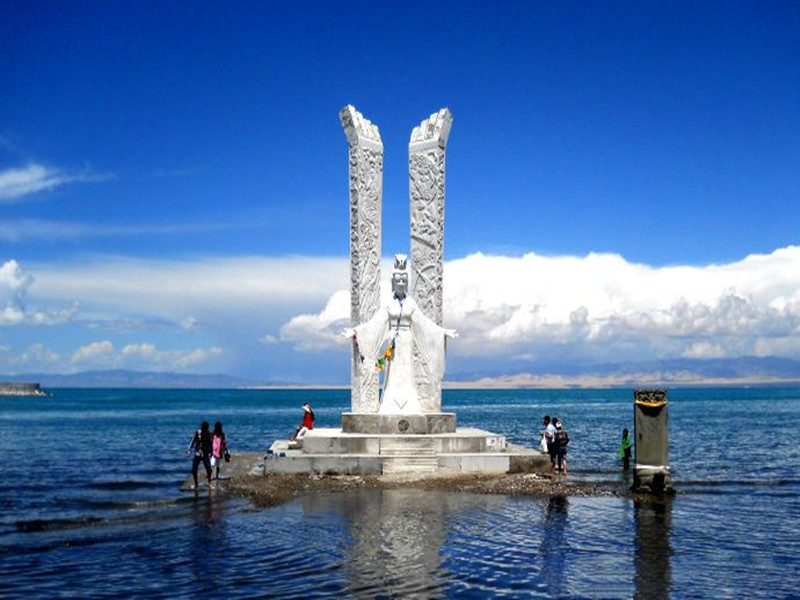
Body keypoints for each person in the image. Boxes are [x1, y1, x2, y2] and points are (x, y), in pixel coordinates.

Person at [345, 254, 457, 414]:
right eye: (398, 281)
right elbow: (375, 323)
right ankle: (390, 402)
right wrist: (356, 331)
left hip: (406, 341)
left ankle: (410, 403)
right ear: (392, 282)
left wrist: (442, 332)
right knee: (392, 371)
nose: (401, 283)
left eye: (404, 280)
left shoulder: (411, 303)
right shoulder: (389, 304)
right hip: (393, 342)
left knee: (407, 371)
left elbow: (424, 323)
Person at [186, 421, 214, 489]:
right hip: (197, 454)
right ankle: (196, 484)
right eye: (204, 428)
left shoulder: (208, 433)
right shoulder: (198, 433)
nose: (204, 429)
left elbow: (210, 443)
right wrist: (188, 450)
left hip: (205, 454)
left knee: (209, 469)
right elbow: (192, 442)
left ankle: (209, 483)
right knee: (194, 469)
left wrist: (211, 452)